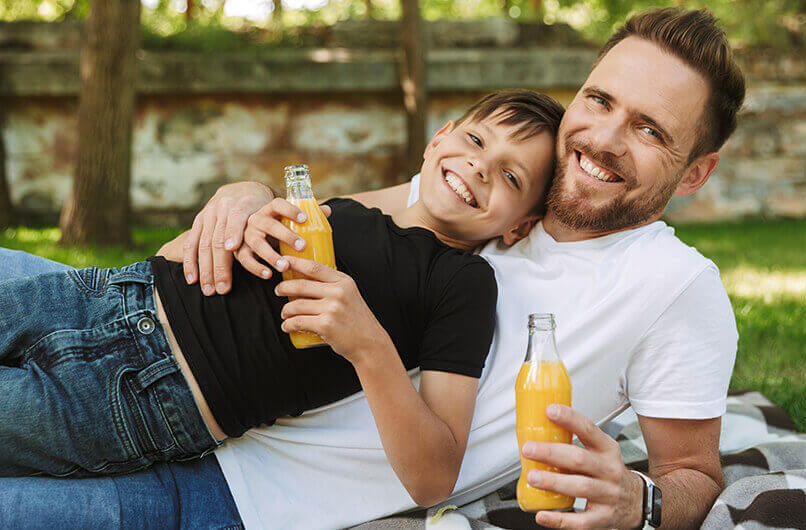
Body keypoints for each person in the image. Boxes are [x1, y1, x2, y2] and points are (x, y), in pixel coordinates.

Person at [0, 7, 744, 529]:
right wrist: (244, 194)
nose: (603, 137)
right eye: (599, 99)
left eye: (648, 129)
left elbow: (694, 475)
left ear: (693, 174)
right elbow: (333, 217)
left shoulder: (671, 285)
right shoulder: (486, 194)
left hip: (231, 484)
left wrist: (640, 504)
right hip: (125, 319)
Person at [0, 91, 563, 520]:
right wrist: (253, 207)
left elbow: (434, 478)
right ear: (439, 138)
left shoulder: (462, 282)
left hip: (144, 390)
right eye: (477, 140)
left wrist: (368, 344)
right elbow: (237, 230)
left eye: (511, 176)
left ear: (520, 226)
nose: (481, 165)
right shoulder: (360, 210)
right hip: (104, 294)